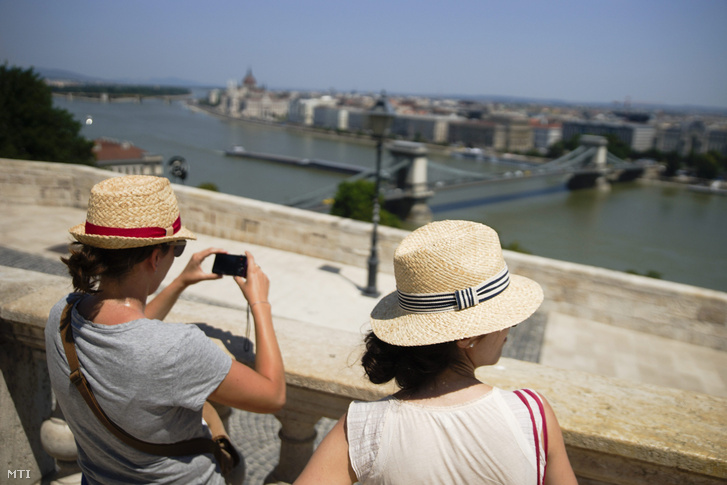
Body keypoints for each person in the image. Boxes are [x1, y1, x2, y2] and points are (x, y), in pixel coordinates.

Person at [295, 220, 577, 485]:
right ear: (468, 336)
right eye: (506, 319)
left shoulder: (364, 427)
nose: (511, 328)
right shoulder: (532, 415)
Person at [45, 175, 285, 484]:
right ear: (155, 257)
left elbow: (133, 332)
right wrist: (260, 302)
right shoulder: (178, 348)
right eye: (178, 248)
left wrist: (180, 281)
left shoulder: (62, 314)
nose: (176, 256)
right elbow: (273, 395)